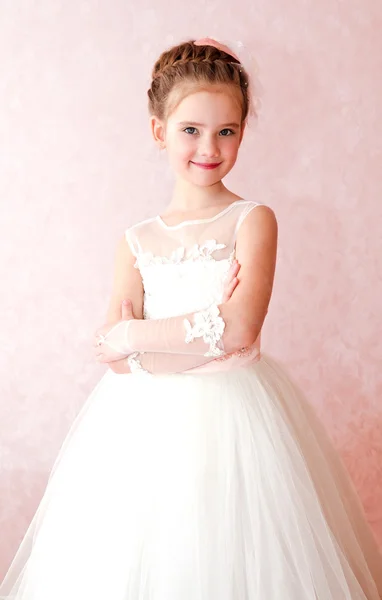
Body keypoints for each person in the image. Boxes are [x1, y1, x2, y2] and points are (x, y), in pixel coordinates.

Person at [1, 37, 381, 600]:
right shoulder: (136, 240)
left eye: (227, 131)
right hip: (140, 432)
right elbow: (116, 354)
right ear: (159, 131)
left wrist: (142, 338)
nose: (210, 146)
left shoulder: (252, 221)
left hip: (239, 422)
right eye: (191, 130)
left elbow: (239, 330)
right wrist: (186, 331)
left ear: (243, 133)